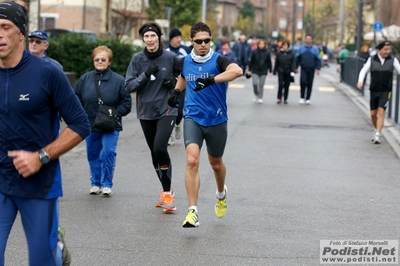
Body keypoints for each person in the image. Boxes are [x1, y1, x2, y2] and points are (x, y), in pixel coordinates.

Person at [0, 1, 91, 266]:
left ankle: (56, 248)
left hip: (38, 184)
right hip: (1, 180)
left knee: (41, 261)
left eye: (5, 27)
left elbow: (80, 124)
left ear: (21, 34)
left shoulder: (47, 73)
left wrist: (40, 157)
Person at [168, 22, 242, 227]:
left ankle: (221, 193)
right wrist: (176, 92)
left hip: (216, 119)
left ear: (211, 40)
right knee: (192, 160)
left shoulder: (219, 60)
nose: (203, 44)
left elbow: (237, 71)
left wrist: (211, 80)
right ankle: (192, 211)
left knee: (216, 164)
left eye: (207, 40)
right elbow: (184, 78)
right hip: (193, 116)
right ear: (191, 41)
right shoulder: (185, 61)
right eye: (198, 41)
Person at [125, 21, 181, 213]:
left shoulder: (171, 58)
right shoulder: (137, 59)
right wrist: (145, 75)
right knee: (154, 153)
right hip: (145, 111)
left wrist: (173, 83)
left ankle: (167, 192)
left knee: (159, 148)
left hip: (166, 110)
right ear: (143, 39)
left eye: (153, 36)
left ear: (159, 38)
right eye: (146, 37)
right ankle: (167, 190)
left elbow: (186, 77)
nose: (150, 40)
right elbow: (129, 86)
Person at [74, 46, 132, 196]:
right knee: (92, 153)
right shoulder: (85, 79)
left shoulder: (119, 80)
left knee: (108, 152)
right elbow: (76, 98)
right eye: (97, 59)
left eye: (103, 59)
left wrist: (116, 113)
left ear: (109, 62)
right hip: (90, 123)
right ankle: (95, 183)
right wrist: (80, 115)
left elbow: (126, 102)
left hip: (110, 124)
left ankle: (106, 183)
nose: (100, 62)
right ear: (93, 61)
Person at [357, 41, 400, 144]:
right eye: (385, 49)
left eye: (389, 49)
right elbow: (364, 70)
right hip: (374, 89)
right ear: (379, 50)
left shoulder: (392, 60)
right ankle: (377, 129)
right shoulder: (372, 59)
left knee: (381, 111)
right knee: (373, 113)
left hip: (386, 90)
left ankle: (377, 134)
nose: (387, 51)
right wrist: (360, 80)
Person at [165, 28, 191, 146]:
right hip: (167, 85)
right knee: (168, 110)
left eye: (180, 37)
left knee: (179, 110)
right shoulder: (165, 50)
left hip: (182, 84)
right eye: (176, 37)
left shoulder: (185, 50)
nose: (179, 39)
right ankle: (168, 134)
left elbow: (190, 65)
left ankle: (177, 125)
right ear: (171, 39)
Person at [295, 34, 321, 105]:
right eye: (307, 39)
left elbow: (318, 59)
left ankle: (308, 98)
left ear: (311, 40)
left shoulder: (315, 49)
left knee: (310, 83)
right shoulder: (301, 49)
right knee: (303, 82)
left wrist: (318, 68)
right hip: (303, 68)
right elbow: (297, 58)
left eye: (310, 39)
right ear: (305, 39)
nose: (308, 40)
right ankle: (302, 97)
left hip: (311, 68)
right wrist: (296, 67)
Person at [247, 38, 272, 103]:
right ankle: (256, 94)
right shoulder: (255, 52)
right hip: (255, 69)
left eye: (263, 44)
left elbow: (269, 62)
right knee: (255, 83)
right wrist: (249, 70)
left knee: (261, 84)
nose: (261, 45)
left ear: (265, 45)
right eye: (260, 44)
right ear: (258, 44)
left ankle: (260, 97)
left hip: (264, 70)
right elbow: (251, 62)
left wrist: (271, 71)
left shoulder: (267, 52)